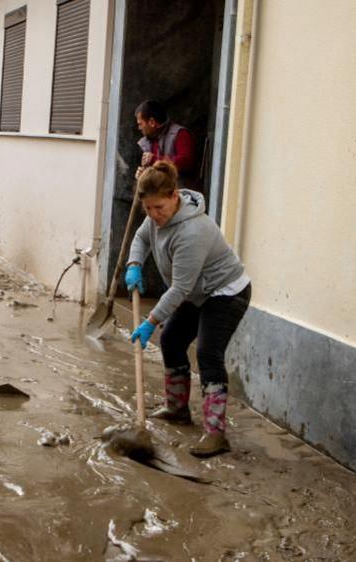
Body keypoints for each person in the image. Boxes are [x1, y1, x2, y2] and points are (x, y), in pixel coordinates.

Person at [125, 160, 251, 458]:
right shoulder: (155, 217)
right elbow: (142, 238)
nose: (155, 216)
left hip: (225, 292)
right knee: (171, 340)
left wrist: (150, 321)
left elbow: (179, 288)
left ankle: (215, 433)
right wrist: (134, 264)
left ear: (174, 197)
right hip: (197, 292)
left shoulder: (194, 231)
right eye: (149, 209)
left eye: (160, 208)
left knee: (207, 352)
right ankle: (177, 408)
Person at [134, 100, 195, 183]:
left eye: (140, 124)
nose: (139, 128)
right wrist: (143, 176)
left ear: (152, 122)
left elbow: (186, 161)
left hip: (178, 192)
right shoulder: (147, 142)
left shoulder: (180, 134)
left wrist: (156, 160)